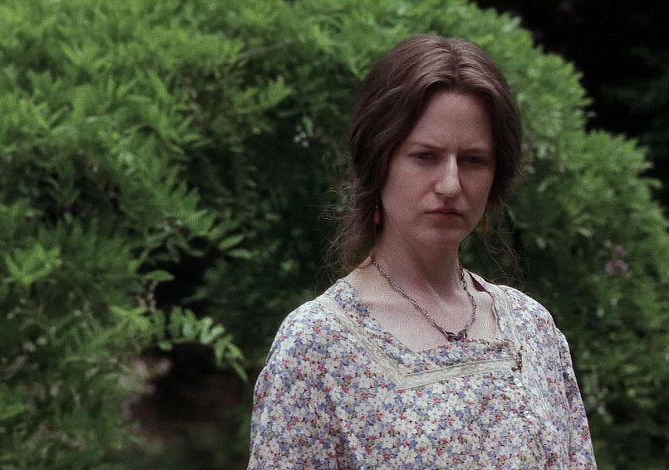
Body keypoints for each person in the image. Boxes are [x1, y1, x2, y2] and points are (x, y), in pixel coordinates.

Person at [248, 34, 596, 469]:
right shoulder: (319, 345)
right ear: (379, 161)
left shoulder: (533, 330)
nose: (450, 184)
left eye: (473, 160)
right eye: (425, 156)